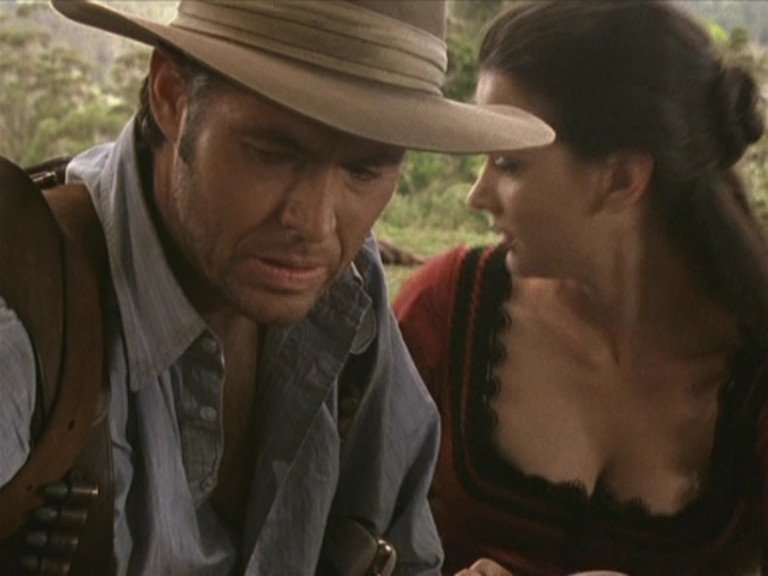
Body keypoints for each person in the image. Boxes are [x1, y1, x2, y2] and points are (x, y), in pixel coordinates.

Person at [0, 1, 554, 574]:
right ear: (171, 97)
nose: (315, 225)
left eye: (364, 171)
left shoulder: (348, 295)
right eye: (272, 154)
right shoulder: (25, 314)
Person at [394, 1, 768, 574]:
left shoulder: (754, 379)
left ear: (621, 179)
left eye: (509, 164)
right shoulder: (443, 316)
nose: (476, 195)